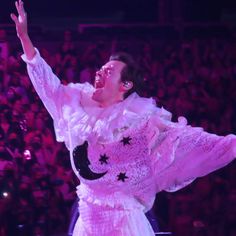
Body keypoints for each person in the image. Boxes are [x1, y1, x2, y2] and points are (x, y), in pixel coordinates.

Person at [11, 1, 236, 235]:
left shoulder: (142, 121)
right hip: (86, 221)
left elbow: (201, 144)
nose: (99, 72)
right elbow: (48, 86)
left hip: (124, 225)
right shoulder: (76, 105)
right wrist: (25, 39)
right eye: (101, 69)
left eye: (109, 71)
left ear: (125, 85)